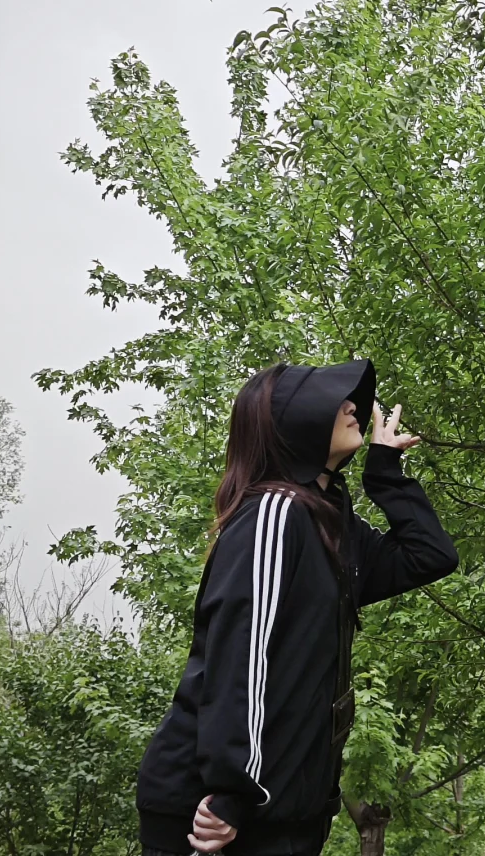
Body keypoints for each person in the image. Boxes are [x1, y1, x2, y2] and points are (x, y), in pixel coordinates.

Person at [135, 359, 459, 855]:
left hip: (288, 809)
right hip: (217, 815)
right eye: (335, 399)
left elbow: (429, 556)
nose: (353, 405)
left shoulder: (330, 522)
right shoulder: (275, 513)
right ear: (292, 421)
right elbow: (241, 656)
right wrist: (233, 792)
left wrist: (386, 472)